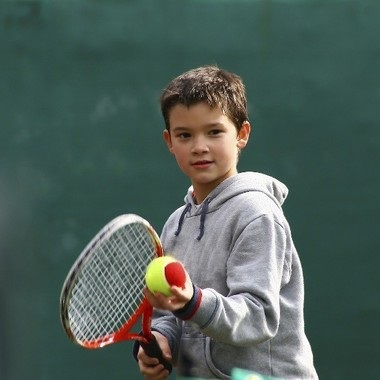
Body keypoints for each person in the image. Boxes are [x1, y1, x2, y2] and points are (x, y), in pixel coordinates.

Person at [135, 66, 318, 379]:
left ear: (242, 134)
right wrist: (163, 338)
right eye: (184, 135)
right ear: (169, 141)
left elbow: (258, 316)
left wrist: (193, 301)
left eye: (214, 131)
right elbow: (171, 311)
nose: (199, 146)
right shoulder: (176, 224)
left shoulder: (257, 214)